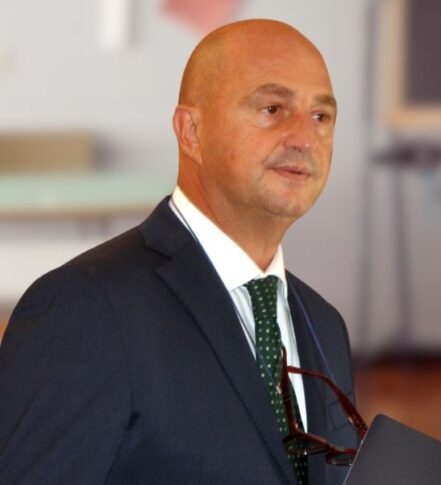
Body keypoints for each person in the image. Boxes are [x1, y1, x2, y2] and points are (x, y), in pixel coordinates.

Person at [0, 19, 357, 485]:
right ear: (190, 131)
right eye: (272, 109)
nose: (304, 138)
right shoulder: (84, 309)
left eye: (321, 117)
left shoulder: (324, 325)